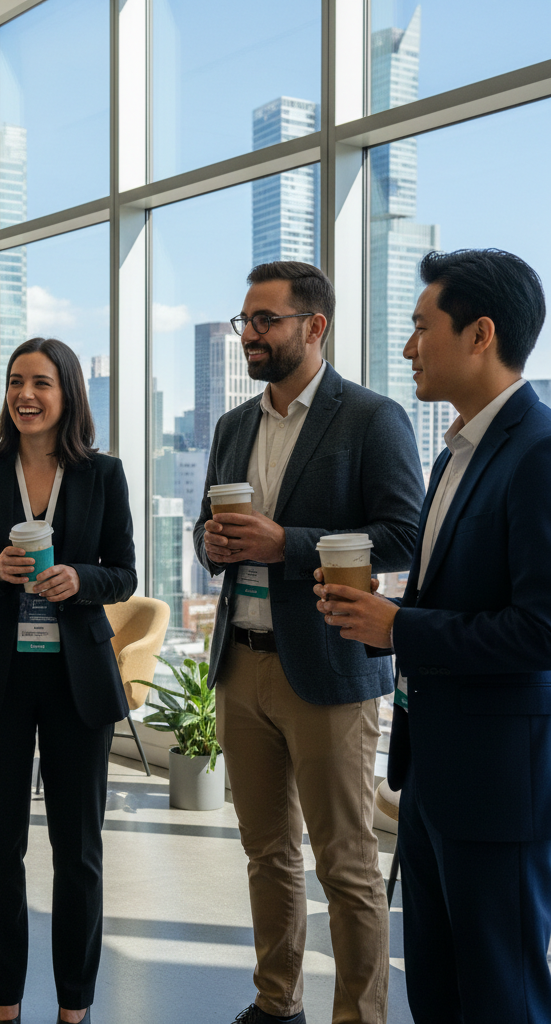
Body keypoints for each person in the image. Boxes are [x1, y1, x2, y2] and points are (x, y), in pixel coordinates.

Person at [314, 248, 551, 1023]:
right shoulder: (454, 452)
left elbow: (540, 631)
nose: (409, 346)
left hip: (499, 788)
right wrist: (384, 624)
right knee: (441, 996)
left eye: (422, 327)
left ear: (480, 334)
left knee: (502, 994)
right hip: (433, 779)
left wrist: (403, 626)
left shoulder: (538, 453)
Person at [193, 261, 423, 1024]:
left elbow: (404, 536)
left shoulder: (370, 417)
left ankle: (359, 1015)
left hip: (327, 669)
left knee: (347, 865)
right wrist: (213, 544)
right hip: (242, 665)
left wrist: (284, 543)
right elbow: (207, 537)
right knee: (267, 854)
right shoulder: (233, 427)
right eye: (245, 321)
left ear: (314, 326)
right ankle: (276, 1003)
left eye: (265, 321)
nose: (249, 335)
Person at [0, 337, 135, 1024]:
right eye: (16, 381)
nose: (25, 394)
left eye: (41, 383)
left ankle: (75, 1008)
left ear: (67, 393)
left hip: (76, 680)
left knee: (78, 852)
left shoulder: (103, 475)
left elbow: (125, 574)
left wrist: (81, 579)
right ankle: (4, 1005)